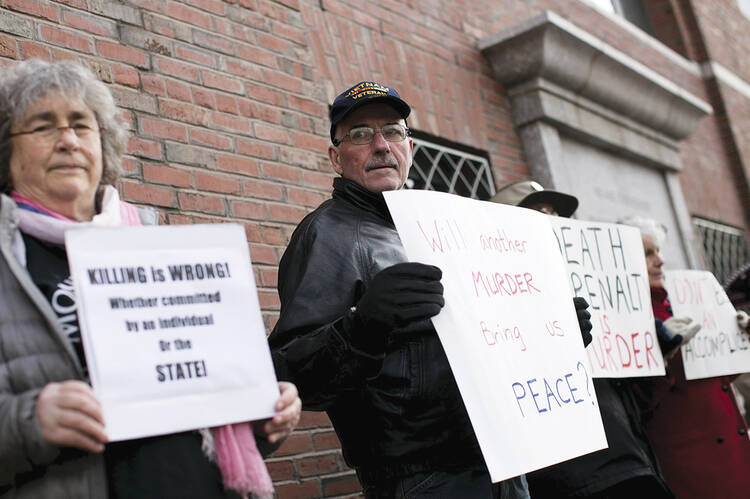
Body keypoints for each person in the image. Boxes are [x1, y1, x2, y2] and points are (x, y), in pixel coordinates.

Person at [268, 81, 592, 498]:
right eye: (361, 134)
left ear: (410, 148)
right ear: (336, 158)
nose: (381, 145)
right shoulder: (325, 235)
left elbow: (493, 336)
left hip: (503, 461)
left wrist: (556, 336)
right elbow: (288, 374)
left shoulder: (441, 226)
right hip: (421, 478)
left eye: (393, 131)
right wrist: (362, 328)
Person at [0, 59, 301, 499]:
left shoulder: (158, 250)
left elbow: (208, 403)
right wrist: (30, 422)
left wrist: (262, 411)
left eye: (82, 126)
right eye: (44, 127)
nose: (68, 140)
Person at [492, 182, 674, 498]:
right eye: (537, 215)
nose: (552, 223)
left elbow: (634, 402)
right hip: (574, 479)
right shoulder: (494, 299)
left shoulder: (591, 289)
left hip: (633, 464)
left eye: (556, 216)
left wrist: (655, 357)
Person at [622, 215, 750, 499]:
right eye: (647, 254)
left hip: (730, 443)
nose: (660, 261)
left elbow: (718, 378)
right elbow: (639, 399)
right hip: (693, 462)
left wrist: (740, 339)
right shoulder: (628, 317)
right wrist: (662, 353)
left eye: (659, 251)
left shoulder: (681, 302)